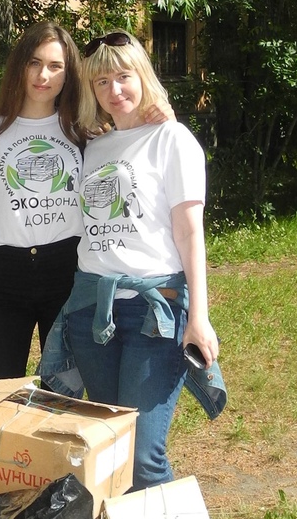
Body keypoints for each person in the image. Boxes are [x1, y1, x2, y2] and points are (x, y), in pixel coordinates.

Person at [45, 30, 219, 490]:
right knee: (111, 445)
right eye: (102, 82)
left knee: (143, 453)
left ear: (143, 76)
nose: (114, 90)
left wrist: (198, 316)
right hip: (92, 313)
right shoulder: (94, 146)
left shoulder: (173, 139)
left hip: (153, 312)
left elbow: (189, 231)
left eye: (124, 77)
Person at [0, 22, 86, 379]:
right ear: (19, 65)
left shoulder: (83, 129)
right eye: (34, 62)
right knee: (1, 389)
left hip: (67, 270)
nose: (43, 75)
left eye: (55, 66)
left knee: (65, 389)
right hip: (2, 275)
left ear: (69, 73)